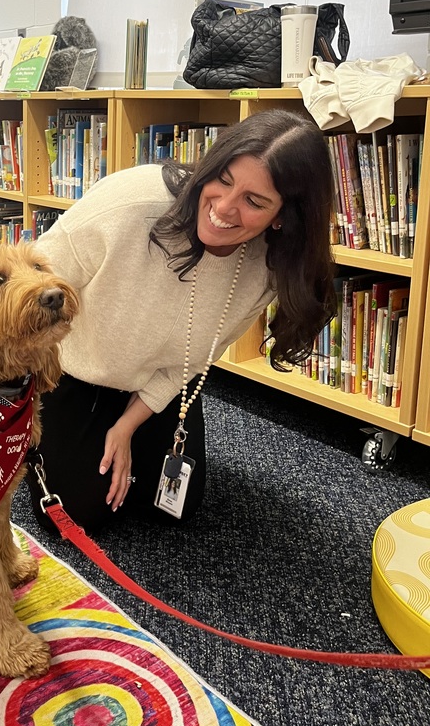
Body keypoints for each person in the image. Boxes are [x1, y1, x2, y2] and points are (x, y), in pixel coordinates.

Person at [28, 108, 336, 533]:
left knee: (174, 505)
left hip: (158, 377)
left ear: (283, 216)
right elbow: (30, 284)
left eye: (254, 201)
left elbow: (194, 361)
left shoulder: (272, 266)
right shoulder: (131, 202)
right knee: (75, 514)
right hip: (69, 371)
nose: (224, 208)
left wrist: (126, 427)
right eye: (223, 180)